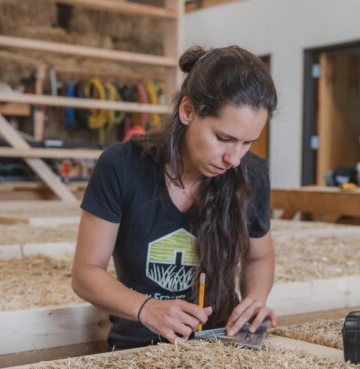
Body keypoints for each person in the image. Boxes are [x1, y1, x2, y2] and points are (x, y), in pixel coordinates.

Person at [72, 45, 278, 350]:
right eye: (224, 138)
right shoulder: (122, 166)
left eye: (248, 143)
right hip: (140, 350)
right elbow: (85, 273)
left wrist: (254, 301)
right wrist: (145, 308)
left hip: (223, 346)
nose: (234, 158)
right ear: (187, 111)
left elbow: (260, 255)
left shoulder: (251, 175)